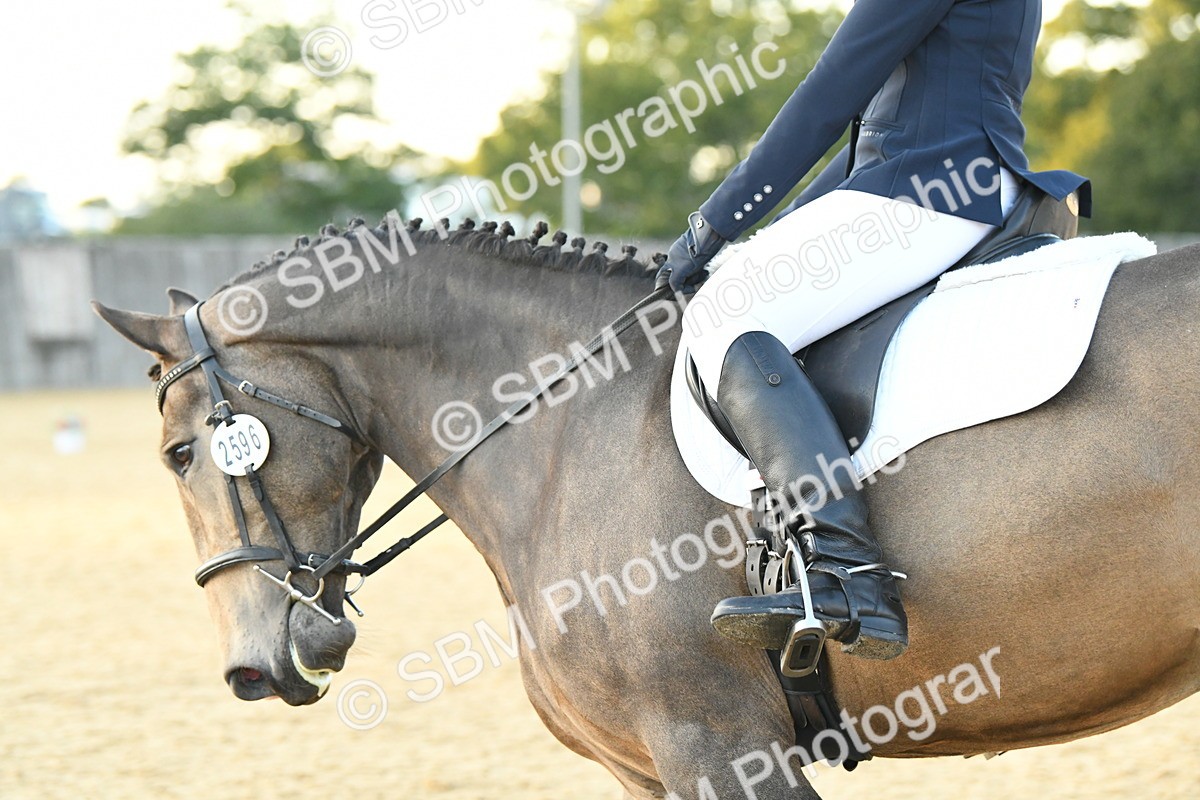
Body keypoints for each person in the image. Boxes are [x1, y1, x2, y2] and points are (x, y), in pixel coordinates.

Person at [656, 0, 1090, 665]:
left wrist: (712, 226)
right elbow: (870, 134)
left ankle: (846, 574)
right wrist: (764, 236)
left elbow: (833, 89)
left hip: (926, 191)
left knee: (723, 311)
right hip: (961, 183)